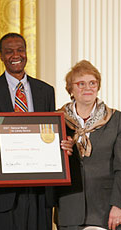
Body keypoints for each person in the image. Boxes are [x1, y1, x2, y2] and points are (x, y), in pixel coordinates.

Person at [0, 33, 73, 230]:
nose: (16, 55)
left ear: (26, 52)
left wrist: (62, 145)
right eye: (9, 51)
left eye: (20, 50)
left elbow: (50, 132)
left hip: (40, 190)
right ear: (1, 56)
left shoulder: (45, 90)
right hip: (2, 192)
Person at [55, 60, 121, 230]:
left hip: (106, 209)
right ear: (71, 89)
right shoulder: (57, 120)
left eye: (93, 83)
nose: (88, 88)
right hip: (68, 207)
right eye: (81, 83)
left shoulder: (116, 119)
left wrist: (118, 205)